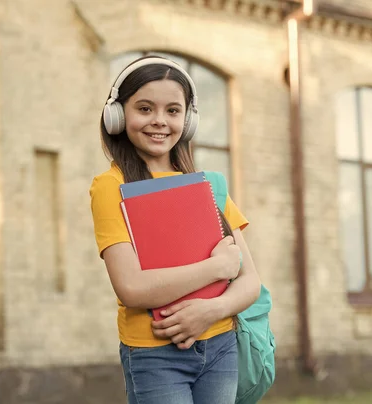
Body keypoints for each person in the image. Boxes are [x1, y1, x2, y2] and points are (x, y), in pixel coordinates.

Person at [89, 55, 261, 404]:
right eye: (145, 108)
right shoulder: (110, 186)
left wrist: (210, 311)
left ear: (188, 119)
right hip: (155, 355)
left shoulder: (209, 185)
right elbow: (132, 288)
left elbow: (250, 282)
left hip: (221, 347)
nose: (159, 121)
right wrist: (215, 268)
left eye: (172, 110)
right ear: (118, 115)